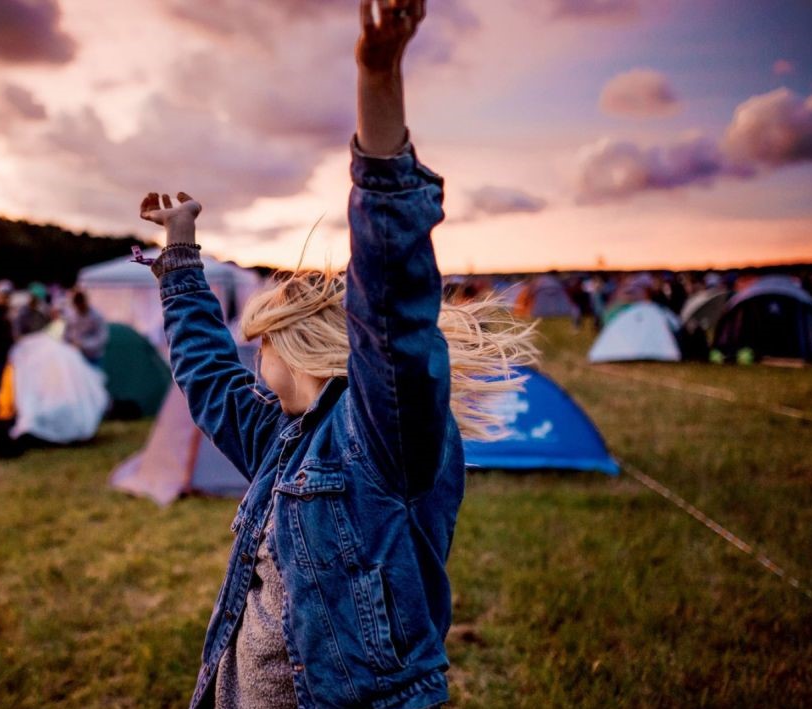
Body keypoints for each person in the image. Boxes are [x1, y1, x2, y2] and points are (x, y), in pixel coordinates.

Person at [137, 2, 534, 706]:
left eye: (261, 342)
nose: (251, 358)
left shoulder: (378, 439)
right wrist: (181, 256)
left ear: (300, 348)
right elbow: (204, 371)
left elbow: (392, 303)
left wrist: (377, 88)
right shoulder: (280, 438)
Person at [63, 290, 109, 365]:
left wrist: (83, 344)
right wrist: (69, 345)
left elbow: (102, 338)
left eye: (81, 304)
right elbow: (66, 334)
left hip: (92, 357)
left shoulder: (96, 316)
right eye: (77, 305)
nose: (80, 308)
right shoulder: (71, 315)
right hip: (76, 356)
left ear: (86, 302)